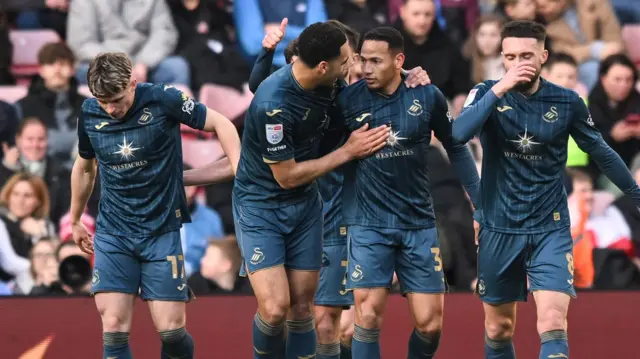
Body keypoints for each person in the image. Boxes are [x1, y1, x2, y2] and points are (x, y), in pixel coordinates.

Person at [451, 20, 640, 359]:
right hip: (499, 226)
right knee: (498, 329)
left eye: (526, 55)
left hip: (549, 226)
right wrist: (501, 88)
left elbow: (602, 153)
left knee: (553, 320)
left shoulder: (568, 102)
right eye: (510, 57)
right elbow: (458, 136)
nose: (518, 63)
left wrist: (637, 194)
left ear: (543, 56)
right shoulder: (486, 92)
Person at [230, 22, 390, 359]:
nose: (354, 68)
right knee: (275, 309)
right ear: (323, 66)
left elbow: (382, 93)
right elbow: (286, 177)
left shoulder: (329, 85)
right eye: (346, 61)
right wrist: (347, 151)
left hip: (305, 205)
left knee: (303, 307)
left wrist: (413, 76)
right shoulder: (272, 106)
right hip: (262, 206)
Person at [69, 52, 241, 359]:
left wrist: (239, 167)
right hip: (113, 232)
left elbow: (221, 123)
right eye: (103, 101)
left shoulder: (164, 99)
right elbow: (84, 167)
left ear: (133, 83)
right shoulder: (90, 113)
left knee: (172, 332)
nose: (111, 109)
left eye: (117, 99)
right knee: (113, 324)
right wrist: (74, 218)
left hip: (160, 230)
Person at [336, 27, 480, 359]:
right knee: (367, 316)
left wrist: (479, 200)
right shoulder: (347, 100)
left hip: (417, 222)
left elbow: (455, 148)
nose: (367, 68)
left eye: (376, 61)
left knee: (430, 325)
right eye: (363, 60)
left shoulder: (427, 95)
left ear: (399, 60)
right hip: (368, 223)